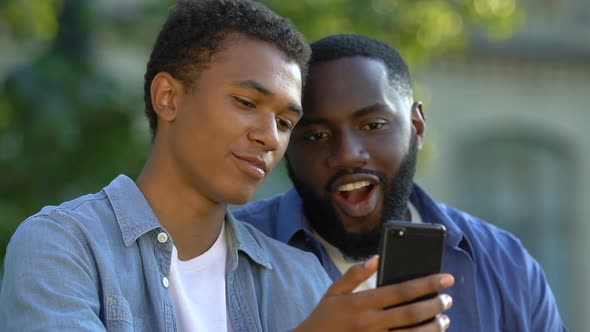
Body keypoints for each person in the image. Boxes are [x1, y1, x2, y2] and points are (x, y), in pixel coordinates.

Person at [0, 2, 456, 331]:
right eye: (245, 102)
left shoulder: (303, 279)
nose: (270, 136)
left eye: (285, 121)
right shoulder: (63, 247)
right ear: (168, 97)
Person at [235, 33, 568, 331]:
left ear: (417, 128)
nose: (348, 154)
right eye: (317, 134)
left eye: (373, 125)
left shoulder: (506, 264)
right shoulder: (229, 254)